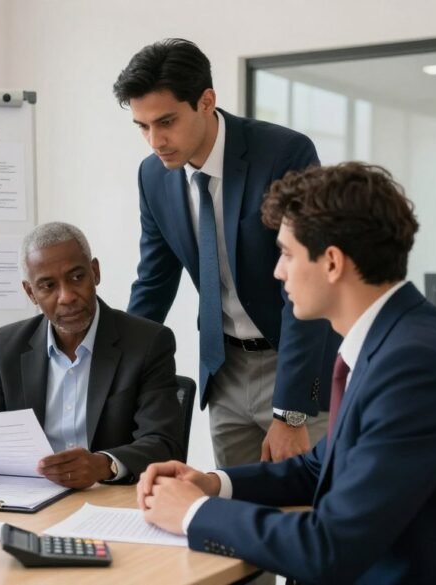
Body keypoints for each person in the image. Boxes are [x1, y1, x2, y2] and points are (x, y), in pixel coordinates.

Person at [138, 163, 436, 584]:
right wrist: (210, 484)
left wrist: (192, 513)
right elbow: (319, 467)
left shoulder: (416, 366)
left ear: (332, 262)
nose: (277, 272)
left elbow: (329, 548)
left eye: (285, 253)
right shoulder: (393, 339)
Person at [113, 38, 340, 466]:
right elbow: (154, 283)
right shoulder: (154, 177)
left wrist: (290, 413)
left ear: (206, 101)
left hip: (293, 364)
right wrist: (115, 373)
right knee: (233, 513)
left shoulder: (284, 153)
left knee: (306, 510)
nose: (155, 141)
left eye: (166, 121)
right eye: (142, 127)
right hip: (224, 368)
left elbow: (308, 282)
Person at [0, 222, 184, 488]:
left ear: (95, 272)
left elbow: (163, 443)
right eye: (48, 286)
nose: (66, 296)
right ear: (31, 292)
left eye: (77, 277)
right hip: (31, 499)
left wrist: (103, 464)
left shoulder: (147, 342)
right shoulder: (8, 345)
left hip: (109, 498)